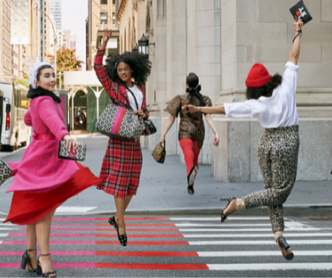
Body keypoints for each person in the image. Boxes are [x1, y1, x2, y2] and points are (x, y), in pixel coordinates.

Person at [182, 20, 304, 260]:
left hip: (265, 144)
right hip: (287, 142)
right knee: (280, 192)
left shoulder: (254, 105)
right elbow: (294, 54)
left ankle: (279, 235)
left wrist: (199, 111)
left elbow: (226, 109)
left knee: (272, 192)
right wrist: (298, 31)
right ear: (270, 80)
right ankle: (239, 203)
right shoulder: (286, 85)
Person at [3, 61, 101, 277]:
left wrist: (39, 117)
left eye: (53, 74)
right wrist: (64, 134)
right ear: (36, 81)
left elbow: (30, 119)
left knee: (36, 209)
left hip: (37, 155)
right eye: (46, 76)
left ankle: (31, 256)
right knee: (44, 211)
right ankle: (43, 258)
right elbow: (51, 121)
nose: (52, 78)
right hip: (47, 158)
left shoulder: (38, 99)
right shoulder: (46, 100)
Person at [94, 29, 151, 247]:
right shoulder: (114, 88)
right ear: (116, 72)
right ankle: (121, 223)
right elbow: (98, 70)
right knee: (119, 181)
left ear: (132, 69)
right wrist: (104, 44)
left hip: (134, 139)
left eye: (126, 69)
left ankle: (117, 217)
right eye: (120, 70)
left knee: (131, 182)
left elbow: (144, 110)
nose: (124, 72)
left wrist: (142, 113)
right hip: (119, 139)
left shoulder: (140, 88)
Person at [160, 72, 219, 195]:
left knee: (189, 155)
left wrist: (163, 134)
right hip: (199, 133)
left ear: (186, 83)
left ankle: (190, 177)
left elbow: (171, 118)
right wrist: (216, 132)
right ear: (198, 83)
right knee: (194, 159)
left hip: (184, 132)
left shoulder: (180, 99)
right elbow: (208, 117)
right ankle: (191, 185)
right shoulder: (205, 99)